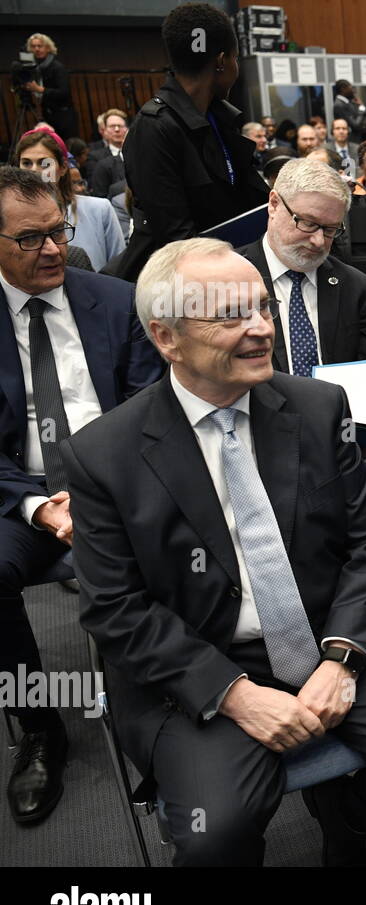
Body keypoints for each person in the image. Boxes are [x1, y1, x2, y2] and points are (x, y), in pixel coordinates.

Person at [64, 237, 366, 865]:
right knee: (213, 833)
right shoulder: (103, 456)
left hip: (328, 635)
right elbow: (117, 610)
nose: (262, 329)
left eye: (262, 307)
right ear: (166, 337)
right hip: (202, 664)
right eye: (231, 316)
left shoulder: (317, 406)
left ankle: (353, 819)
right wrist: (234, 693)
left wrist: (342, 658)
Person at [0, 168, 162, 827]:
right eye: (30, 238)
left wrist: (99, 491)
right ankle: (39, 724)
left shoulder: (116, 301)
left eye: (58, 232)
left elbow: (152, 411)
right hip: (23, 494)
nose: (51, 249)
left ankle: (171, 701)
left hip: (117, 480)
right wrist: (40, 506)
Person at [113, 2, 269, 282]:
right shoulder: (153, 128)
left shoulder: (219, 117)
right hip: (177, 288)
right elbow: (176, 239)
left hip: (228, 266)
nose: (237, 66)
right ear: (222, 62)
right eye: (235, 58)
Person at [237, 158, 366, 374]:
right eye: (308, 223)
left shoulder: (355, 287)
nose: (319, 241)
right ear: (274, 204)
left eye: (331, 229)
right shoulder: (227, 279)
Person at [13, 129, 125, 271]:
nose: (34, 170)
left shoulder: (99, 209)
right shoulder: (11, 217)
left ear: (63, 167)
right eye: (26, 163)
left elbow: (119, 268)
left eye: (44, 163)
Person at [21, 34, 78, 142]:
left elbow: (64, 92)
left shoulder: (57, 67)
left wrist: (40, 90)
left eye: (40, 46)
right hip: (48, 115)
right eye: (33, 46)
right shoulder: (35, 68)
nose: (37, 49)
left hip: (63, 116)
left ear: (48, 48)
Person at [89, 110, 129, 199]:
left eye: (120, 126)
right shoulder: (96, 157)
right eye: (112, 126)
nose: (117, 129)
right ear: (105, 130)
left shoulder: (136, 153)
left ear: (127, 129)